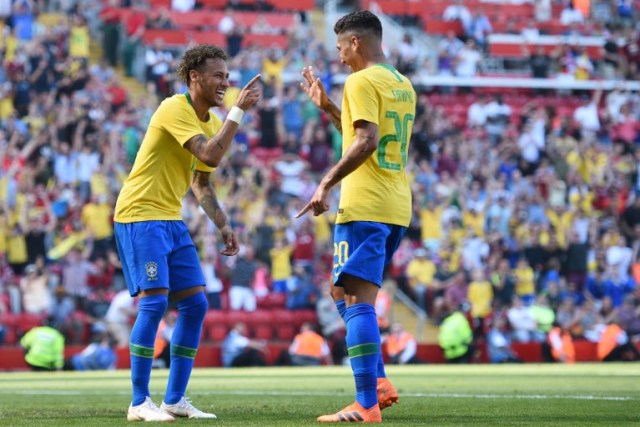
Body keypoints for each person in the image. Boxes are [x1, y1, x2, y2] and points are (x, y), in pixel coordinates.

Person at [113, 44, 261, 422]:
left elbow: (201, 181)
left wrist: (223, 222)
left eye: (227, 77)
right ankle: (139, 402)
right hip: (140, 214)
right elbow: (210, 155)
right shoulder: (173, 107)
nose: (225, 83)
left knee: (196, 304)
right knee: (155, 303)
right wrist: (239, 111)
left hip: (170, 218)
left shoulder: (210, 122)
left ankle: (175, 399)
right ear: (194, 77)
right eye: (218, 76)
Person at [297, 10, 416, 423]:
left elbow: (364, 142)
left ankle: (366, 404)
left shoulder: (361, 80)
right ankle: (378, 383)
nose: (340, 57)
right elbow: (363, 134)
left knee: (356, 300)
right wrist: (329, 107)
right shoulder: (401, 83)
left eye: (341, 48)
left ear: (356, 43)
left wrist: (325, 183)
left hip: (365, 203)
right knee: (341, 294)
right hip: (396, 205)